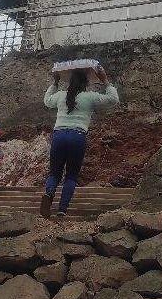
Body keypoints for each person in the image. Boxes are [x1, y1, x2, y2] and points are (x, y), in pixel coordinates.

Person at [41, 65, 119, 218]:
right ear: (86, 83)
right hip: (77, 137)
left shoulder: (61, 95)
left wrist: (55, 83)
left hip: (59, 136)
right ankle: (62, 210)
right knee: (71, 176)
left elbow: (47, 101)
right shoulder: (90, 97)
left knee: (54, 173)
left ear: (70, 82)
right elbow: (113, 100)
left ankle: (49, 194)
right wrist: (105, 81)